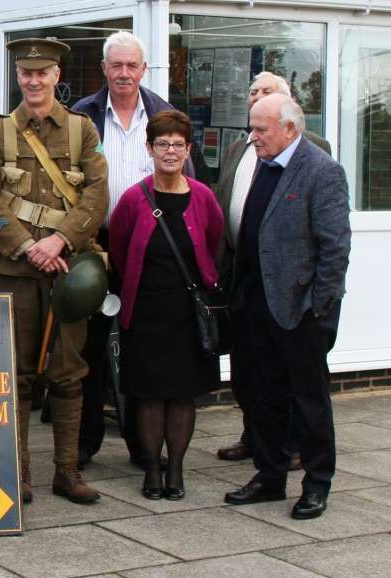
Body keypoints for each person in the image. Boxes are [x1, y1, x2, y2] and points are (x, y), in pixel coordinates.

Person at [0, 38, 109, 504]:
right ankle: (20, 471)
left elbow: (97, 194)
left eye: (42, 73)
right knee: (17, 374)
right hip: (16, 271)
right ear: (18, 77)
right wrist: (30, 246)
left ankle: (67, 472)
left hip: (69, 271)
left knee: (69, 372)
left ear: (56, 77)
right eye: (26, 73)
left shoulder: (81, 131)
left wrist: (59, 240)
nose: (33, 81)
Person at [224, 93, 351, 520]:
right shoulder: (264, 162)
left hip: (300, 310)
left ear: (290, 129)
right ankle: (269, 474)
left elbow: (335, 248)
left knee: (309, 402)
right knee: (262, 396)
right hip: (254, 303)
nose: (252, 137)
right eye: (252, 127)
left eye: (261, 129)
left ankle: (316, 484)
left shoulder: (322, 171)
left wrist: (319, 308)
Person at [69, 31, 192, 467]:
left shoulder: (165, 116)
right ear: (104, 69)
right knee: (87, 351)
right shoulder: (81, 116)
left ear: (143, 69)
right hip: (93, 247)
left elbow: (188, 189)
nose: (124, 73)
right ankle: (83, 444)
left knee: (143, 349)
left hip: (149, 252)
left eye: (131, 65)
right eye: (115, 65)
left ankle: (144, 447)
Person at [214, 71, 331, 467]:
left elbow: (332, 242)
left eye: (266, 93)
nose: (255, 97)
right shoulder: (240, 149)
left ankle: (299, 452)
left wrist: (321, 304)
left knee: (298, 384)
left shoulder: (314, 156)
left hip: (293, 293)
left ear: (288, 120)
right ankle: (260, 445)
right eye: (252, 92)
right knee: (252, 375)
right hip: (245, 281)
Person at [108, 110, 224, 500]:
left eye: (178, 144)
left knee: (181, 394)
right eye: (162, 144)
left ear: (188, 150)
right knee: (150, 394)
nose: (170, 151)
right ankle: (152, 468)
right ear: (149, 149)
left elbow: (213, 243)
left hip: (186, 312)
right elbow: (120, 252)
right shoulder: (132, 199)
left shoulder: (204, 197)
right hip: (144, 311)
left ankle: (175, 467)